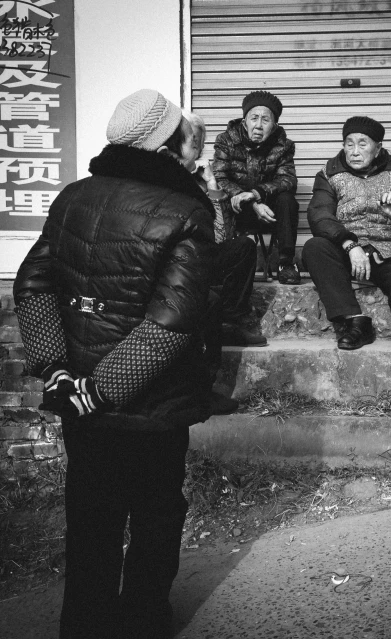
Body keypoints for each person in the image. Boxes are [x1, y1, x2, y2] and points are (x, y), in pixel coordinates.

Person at [13, 89, 219, 639]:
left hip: (81, 400)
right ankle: (144, 623)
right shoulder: (186, 212)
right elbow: (170, 321)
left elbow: (32, 282)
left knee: (91, 521)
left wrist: (59, 372)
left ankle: (84, 626)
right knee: (155, 517)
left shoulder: (74, 197)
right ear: (166, 142)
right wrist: (101, 390)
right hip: (151, 404)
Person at [302, 116, 391, 409]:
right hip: (349, 246)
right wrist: (350, 243)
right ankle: (355, 321)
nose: (354, 151)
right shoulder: (329, 173)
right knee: (315, 248)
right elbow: (319, 216)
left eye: (362, 144)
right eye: (348, 144)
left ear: (377, 148)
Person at [184, 110, 267, 346]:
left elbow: (222, 234)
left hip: (202, 255)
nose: (197, 148)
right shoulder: (161, 177)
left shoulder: (205, 179)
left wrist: (211, 185)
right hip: (175, 257)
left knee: (243, 246)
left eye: (200, 142)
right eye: (192, 141)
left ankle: (231, 323)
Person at [213, 90, 301, 285]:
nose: (259, 125)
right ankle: (223, 263)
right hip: (236, 208)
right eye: (254, 118)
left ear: (275, 125)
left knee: (287, 200)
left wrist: (256, 194)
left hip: (268, 212)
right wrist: (249, 200)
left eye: (265, 120)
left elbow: (287, 180)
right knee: (216, 199)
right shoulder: (226, 141)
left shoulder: (283, 146)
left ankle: (286, 263)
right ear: (245, 122)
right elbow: (219, 176)